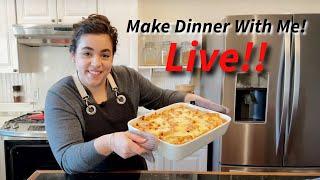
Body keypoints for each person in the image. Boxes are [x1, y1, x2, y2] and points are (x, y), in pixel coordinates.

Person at [45, 14, 229, 174]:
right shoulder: (60, 95)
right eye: (87, 53)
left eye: (105, 55)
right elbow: (68, 159)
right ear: (73, 55)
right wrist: (110, 142)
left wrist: (191, 100)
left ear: (112, 56)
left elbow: (161, 98)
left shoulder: (126, 77)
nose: (96, 63)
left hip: (136, 173)